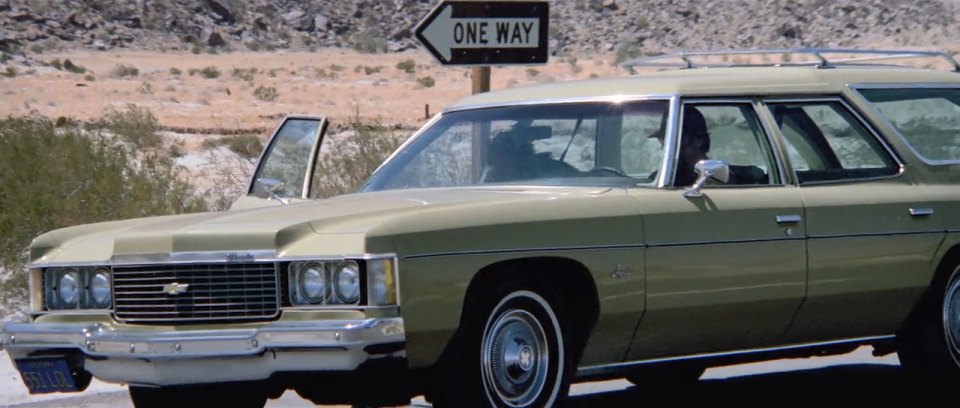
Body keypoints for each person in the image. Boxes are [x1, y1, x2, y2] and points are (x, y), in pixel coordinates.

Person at [674, 106, 711, 186]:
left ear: (698, 140)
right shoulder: (673, 177)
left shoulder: (714, 179)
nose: (663, 148)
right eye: (662, 141)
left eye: (677, 143)